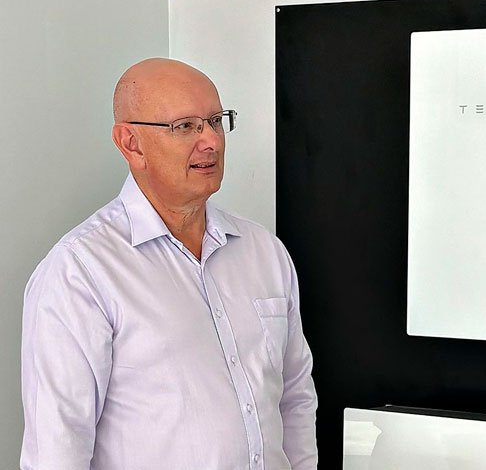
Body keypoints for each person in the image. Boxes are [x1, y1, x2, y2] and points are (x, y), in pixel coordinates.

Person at [21, 58, 317, 470]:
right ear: (131, 144)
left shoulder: (264, 252)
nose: (211, 141)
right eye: (186, 127)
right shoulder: (80, 272)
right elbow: (58, 448)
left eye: (215, 121)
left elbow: (295, 398)